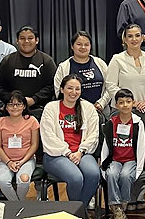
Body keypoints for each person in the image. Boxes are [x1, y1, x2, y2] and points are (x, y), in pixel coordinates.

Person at [42, 75, 101, 205]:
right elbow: (48, 136)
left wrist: (80, 151)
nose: (73, 92)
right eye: (69, 88)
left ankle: (79, 211)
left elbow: (93, 134)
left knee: (93, 174)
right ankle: (77, 212)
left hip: (81, 153)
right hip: (56, 154)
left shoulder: (88, 108)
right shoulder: (51, 108)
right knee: (76, 178)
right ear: (62, 89)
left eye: (77, 89)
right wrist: (68, 153)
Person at [100, 89, 145, 219]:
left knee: (126, 175)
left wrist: (139, 169)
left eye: (128, 102)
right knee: (111, 173)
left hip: (131, 160)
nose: (125, 105)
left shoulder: (138, 123)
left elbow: (142, 146)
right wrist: (104, 166)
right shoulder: (111, 123)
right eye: (121, 102)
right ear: (116, 105)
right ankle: (116, 206)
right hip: (114, 159)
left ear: (133, 103)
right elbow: (105, 146)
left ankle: (124, 203)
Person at [0, 26, 56, 119]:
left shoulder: (47, 61)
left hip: (39, 111)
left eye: (30, 38)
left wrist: (34, 100)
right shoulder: (8, 61)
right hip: (12, 111)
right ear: (17, 41)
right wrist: (13, 101)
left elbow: (52, 86)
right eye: (22, 38)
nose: (26, 41)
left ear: (37, 40)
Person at [104, 24, 145, 123]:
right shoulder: (117, 59)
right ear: (125, 39)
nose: (134, 39)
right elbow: (110, 85)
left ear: (142, 38)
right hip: (121, 111)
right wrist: (130, 103)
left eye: (137, 35)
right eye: (130, 36)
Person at [0, 91, 41, 201]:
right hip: (5, 160)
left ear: (24, 106)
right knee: (2, 181)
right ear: (6, 106)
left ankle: (17, 206)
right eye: (11, 104)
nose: (14, 107)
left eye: (18, 104)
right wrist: (9, 162)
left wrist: (22, 161)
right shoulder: (0, 121)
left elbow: (34, 145)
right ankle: (18, 205)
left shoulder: (31, 120)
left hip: (26, 159)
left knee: (24, 180)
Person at [55, 31, 109, 113]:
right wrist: (84, 106)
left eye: (86, 44)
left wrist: (101, 103)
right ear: (72, 46)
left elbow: (110, 86)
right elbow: (59, 91)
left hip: (101, 109)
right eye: (79, 44)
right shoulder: (64, 67)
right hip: (75, 110)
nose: (83, 47)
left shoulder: (100, 63)